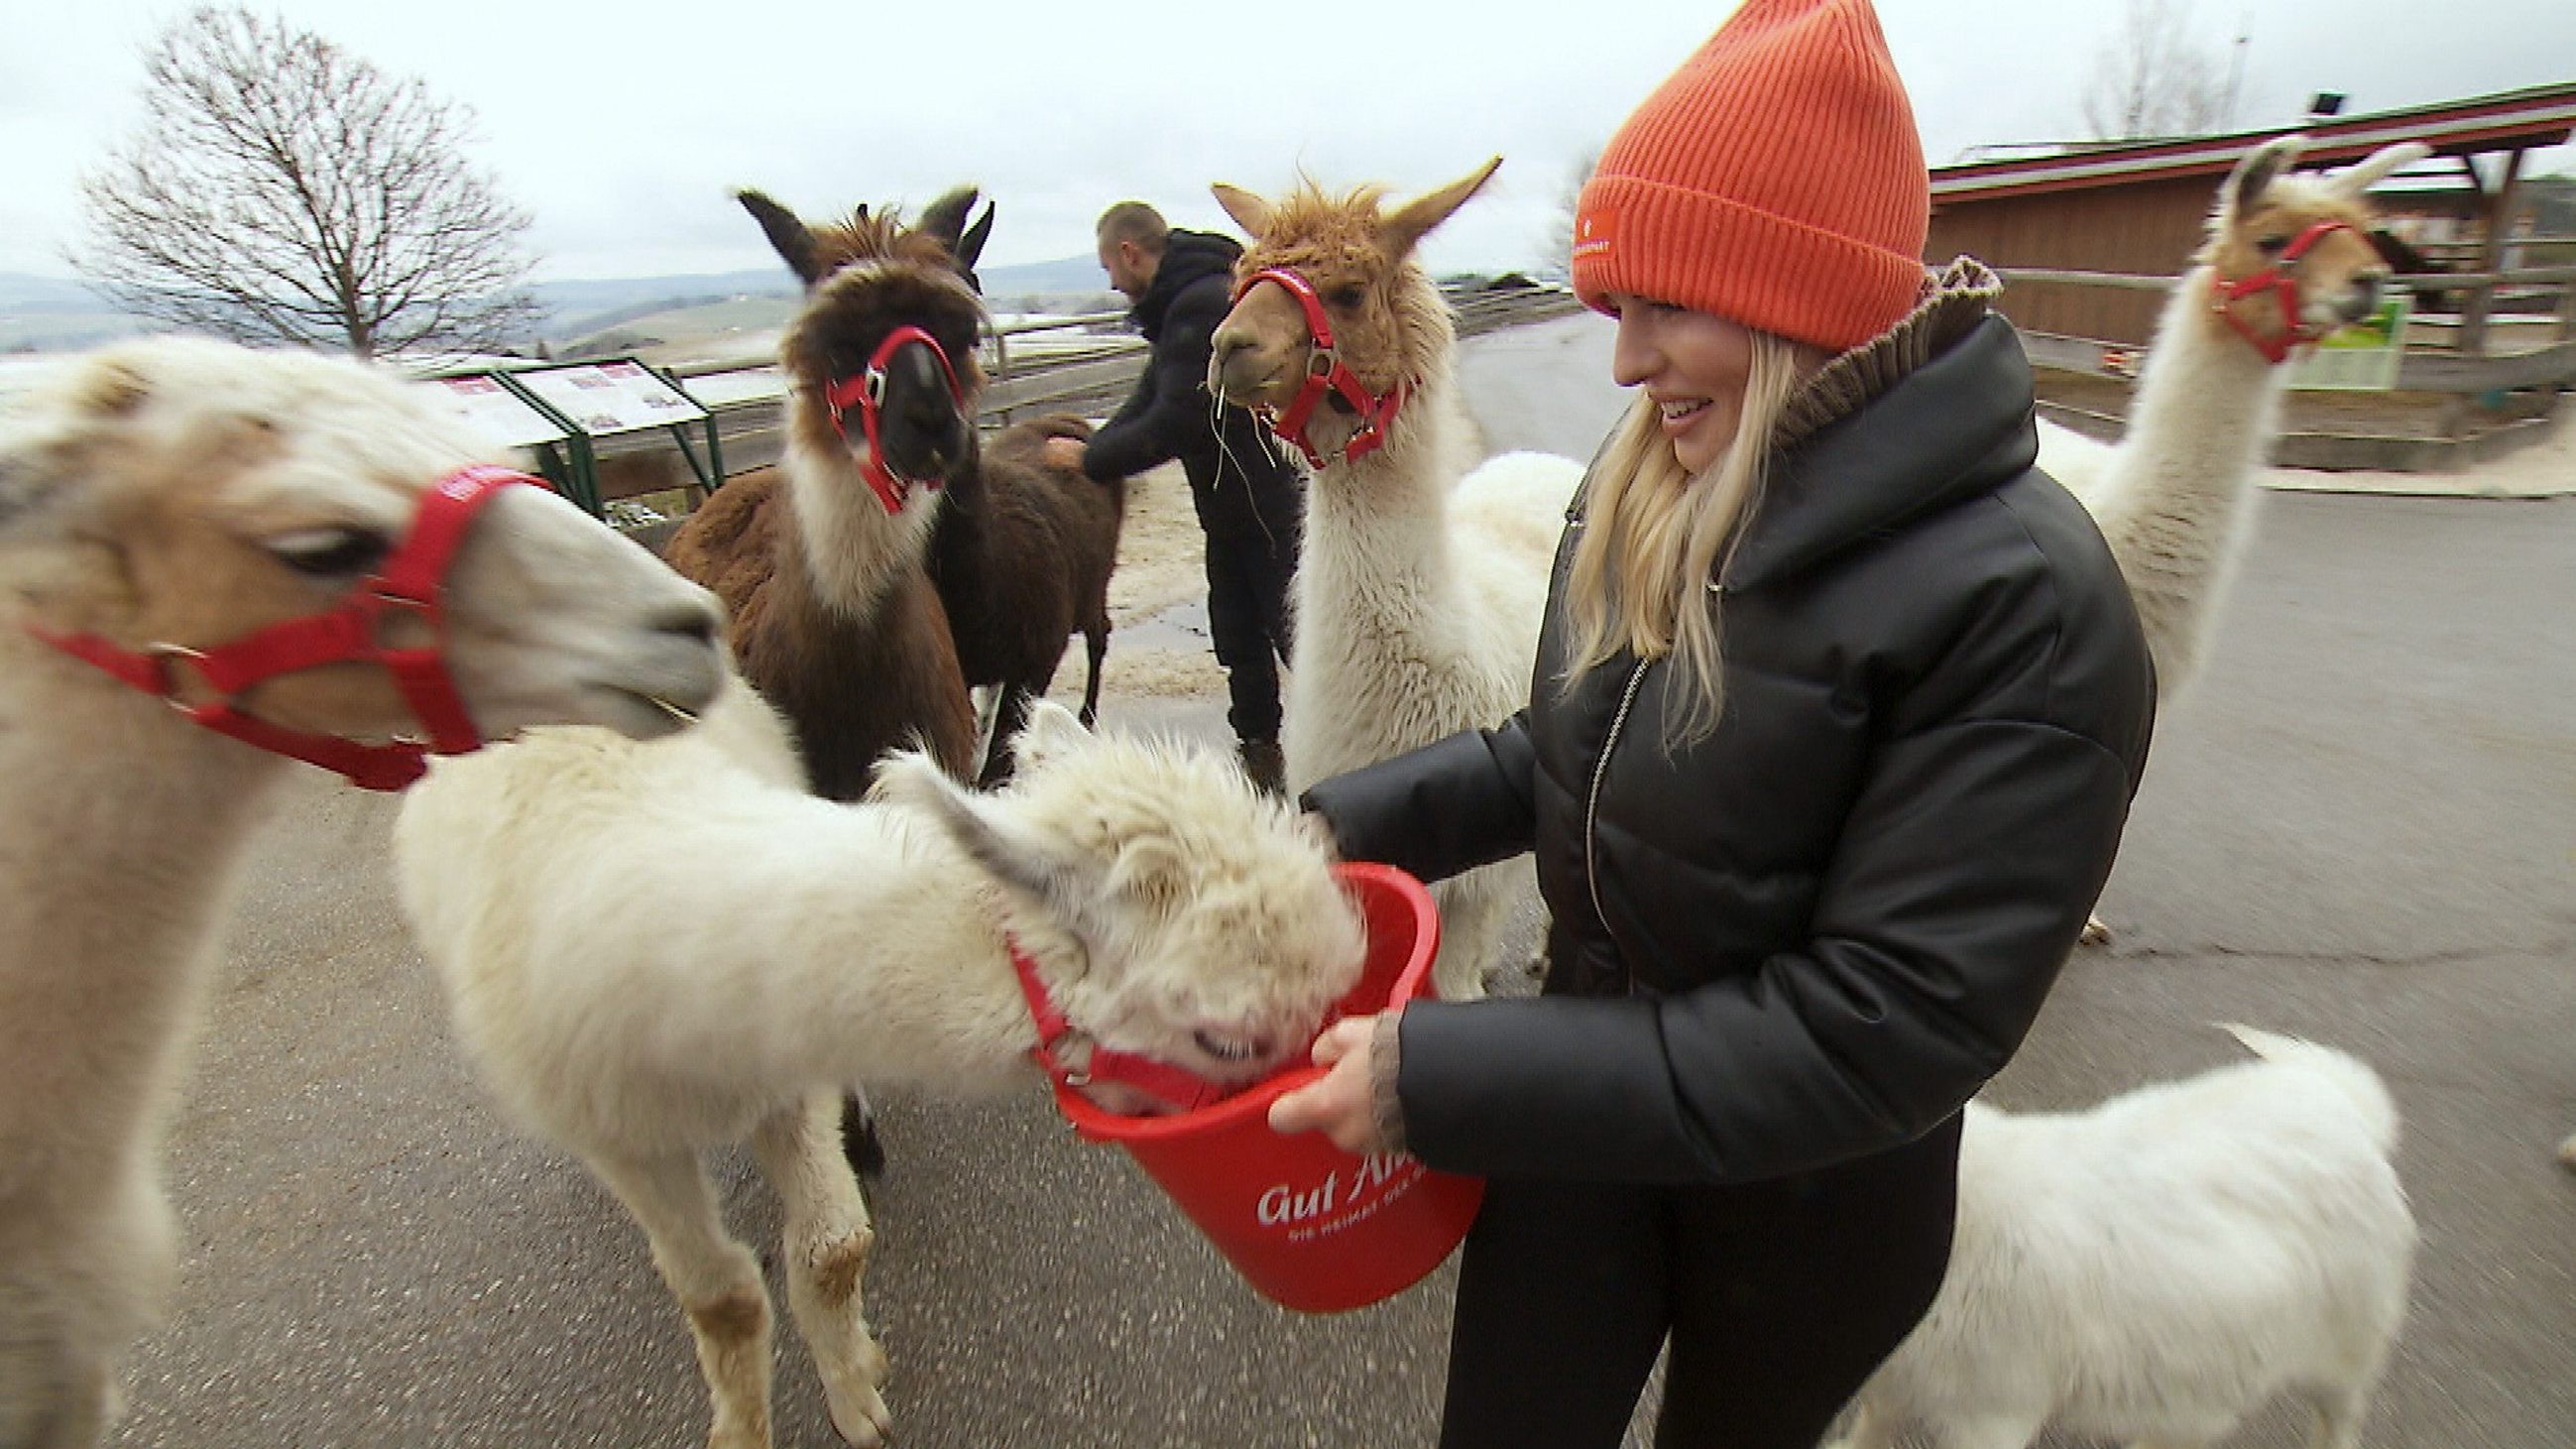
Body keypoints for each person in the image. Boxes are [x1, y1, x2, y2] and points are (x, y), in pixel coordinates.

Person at [1265, 2, 2158, 1446]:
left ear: (1790, 293)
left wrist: (1446, 1071)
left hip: (1810, 1206)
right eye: (1614, 308)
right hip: (1582, 1132)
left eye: (1661, 305)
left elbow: (1884, 1024)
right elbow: (1563, 759)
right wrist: (1325, 829)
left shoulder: (2031, 608)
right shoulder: (1648, 493)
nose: (1620, 363)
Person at [1068, 200, 1303, 793]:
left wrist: (1089, 460)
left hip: (1264, 509)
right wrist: (1093, 446)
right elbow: (1146, 400)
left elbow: (1173, 421)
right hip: (1236, 511)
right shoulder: (1183, 302)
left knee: (1292, 636)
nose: (1113, 284)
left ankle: (1342, 754)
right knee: (1238, 637)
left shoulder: (1198, 305)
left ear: (1130, 253)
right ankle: (1262, 763)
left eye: (1109, 269)